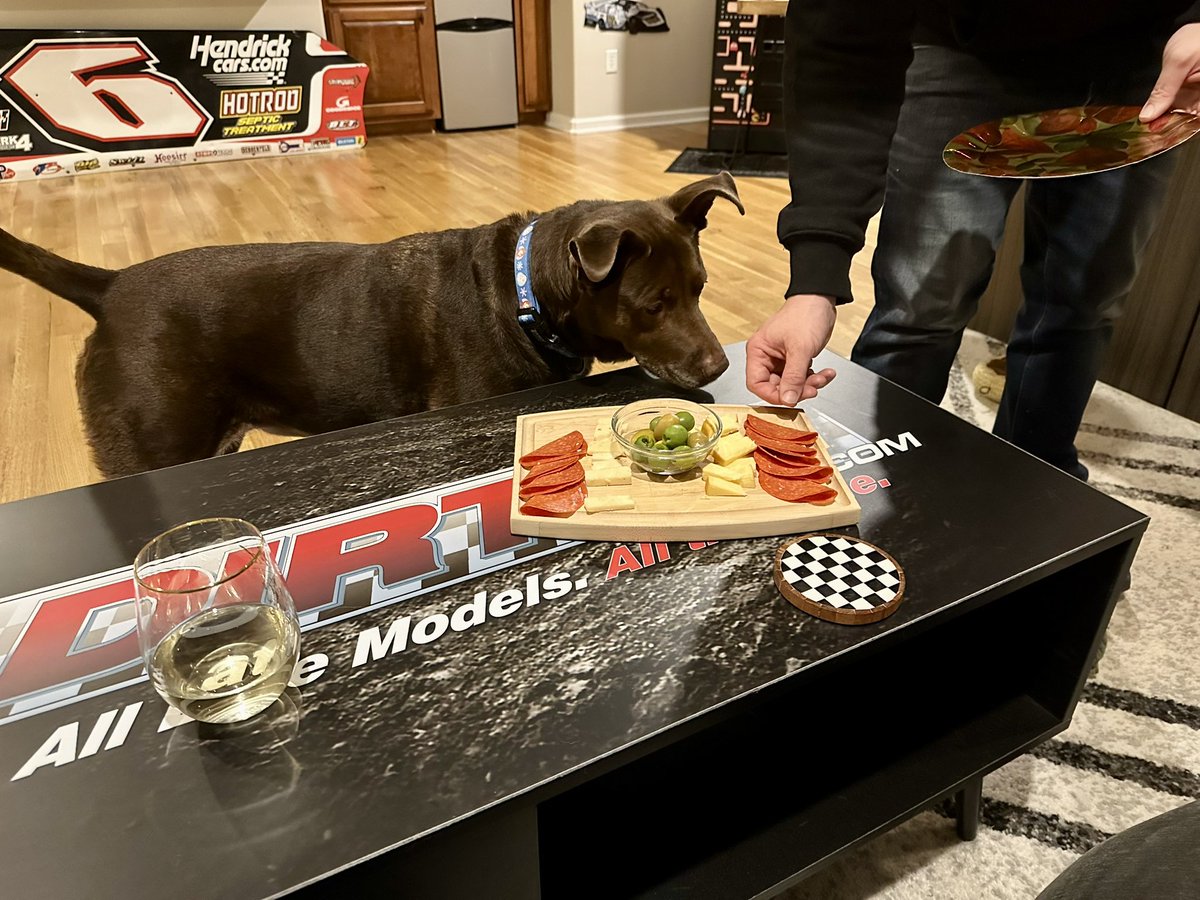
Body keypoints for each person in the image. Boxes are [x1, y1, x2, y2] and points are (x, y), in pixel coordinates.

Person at [746, 2, 1200, 479]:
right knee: (918, 312)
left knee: (1084, 307)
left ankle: (1037, 479)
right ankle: (872, 482)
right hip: (961, 48)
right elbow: (838, 59)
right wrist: (814, 282)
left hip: (1139, 55)